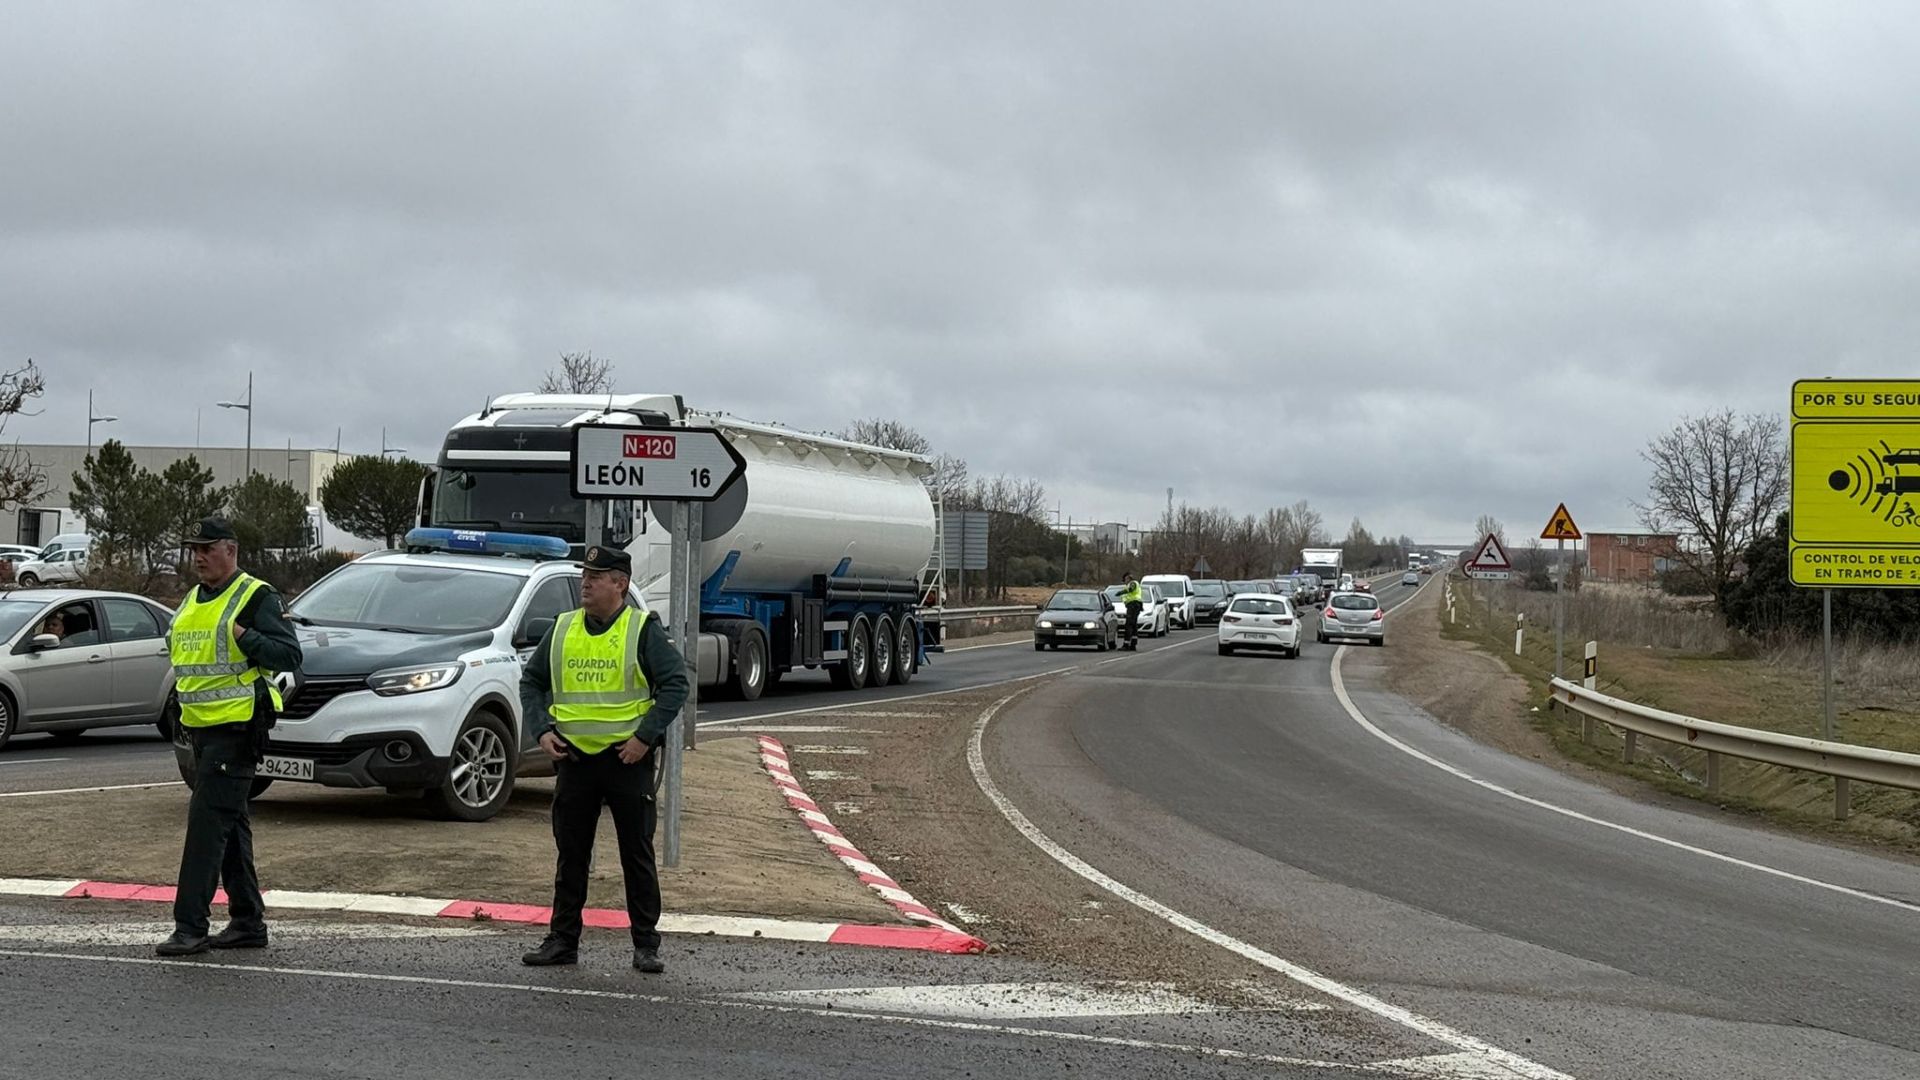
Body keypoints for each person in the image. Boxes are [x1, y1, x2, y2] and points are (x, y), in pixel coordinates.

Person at [518, 545, 689, 973]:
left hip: (625, 762)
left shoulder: (640, 629)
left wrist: (645, 738)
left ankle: (646, 945)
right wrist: (541, 730)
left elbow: (674, 684)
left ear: (621, 584)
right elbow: (532, 683)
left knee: (637, 855)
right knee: (571, 855)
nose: (586, 583)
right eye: (584, 576)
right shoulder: (562, 628)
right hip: (575, 762)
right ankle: (563, 941)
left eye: (597, 576)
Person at [156, 518, 303, 957]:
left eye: (206, 548)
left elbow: (289, 654)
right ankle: (247, 923)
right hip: (200, 729)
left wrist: (245, 636)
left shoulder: (254, 596)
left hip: (238, 729)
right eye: (193, 549)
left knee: (205, 827)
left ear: (231, 550)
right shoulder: (191, 600)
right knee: (229, 825)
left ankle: (190, 927)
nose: (198, 556)